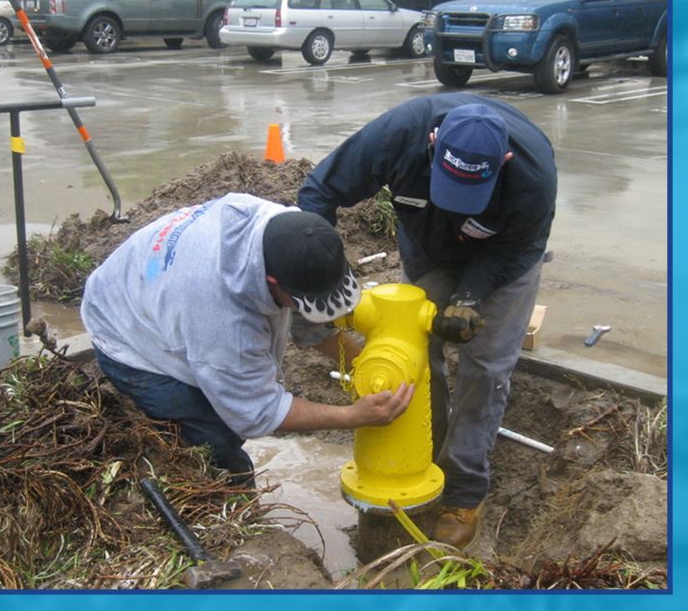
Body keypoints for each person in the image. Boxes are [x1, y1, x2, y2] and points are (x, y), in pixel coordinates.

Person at [297, 93, 557, 548]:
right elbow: (319, 192)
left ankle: (464, 489)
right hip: (428, 248)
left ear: (505, 161)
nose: (460, 205)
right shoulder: (399, 134)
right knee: (417, 354)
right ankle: (423, 457)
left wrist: (471, 296)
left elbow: (514, 248)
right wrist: (329, 276)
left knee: (487, 367)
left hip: (503, 263)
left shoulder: (533, 177)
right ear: (433, 143)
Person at [80, 193, 414, 485]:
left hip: (149, 281)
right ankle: (231, 514)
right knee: (214, 439)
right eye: (299, 301)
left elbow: (308, 322)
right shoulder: (224, 323)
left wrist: (364, 363)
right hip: (122, 329)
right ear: (270, 280)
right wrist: (352, 417)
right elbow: (257, 413)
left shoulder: (284, 228)